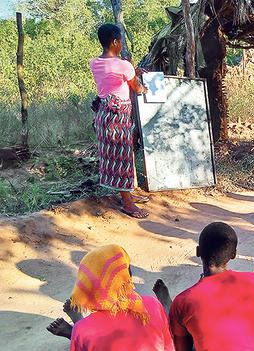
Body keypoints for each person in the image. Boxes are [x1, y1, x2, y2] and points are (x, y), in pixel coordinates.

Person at [167, 222, 254, 351]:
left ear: (198, 252)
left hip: (184, 315)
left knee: (182, 325)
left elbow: (182, 348)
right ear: (234, 254)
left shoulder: (182, 301)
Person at [47, 244, 174, 350]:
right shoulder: (152, 303)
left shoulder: (83, 329)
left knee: (84, 333)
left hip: (85, 330)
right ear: (128, 275)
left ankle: (75, 330)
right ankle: (167, 304)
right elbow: (169, 346)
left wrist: (78, 331)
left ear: (86, 285)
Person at [90, 23, 150, 218]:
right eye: (121, 41)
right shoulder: (124, 65)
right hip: (118, 116)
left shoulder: (94, 63)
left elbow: (113, 78)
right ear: (115, 42)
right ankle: (127, 204)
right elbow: (136, 87)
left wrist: (134, 72)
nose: (122, 45)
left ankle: (128, 193)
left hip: (103, 115)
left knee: (113, 157)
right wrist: (144, 88)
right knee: (123, 157)